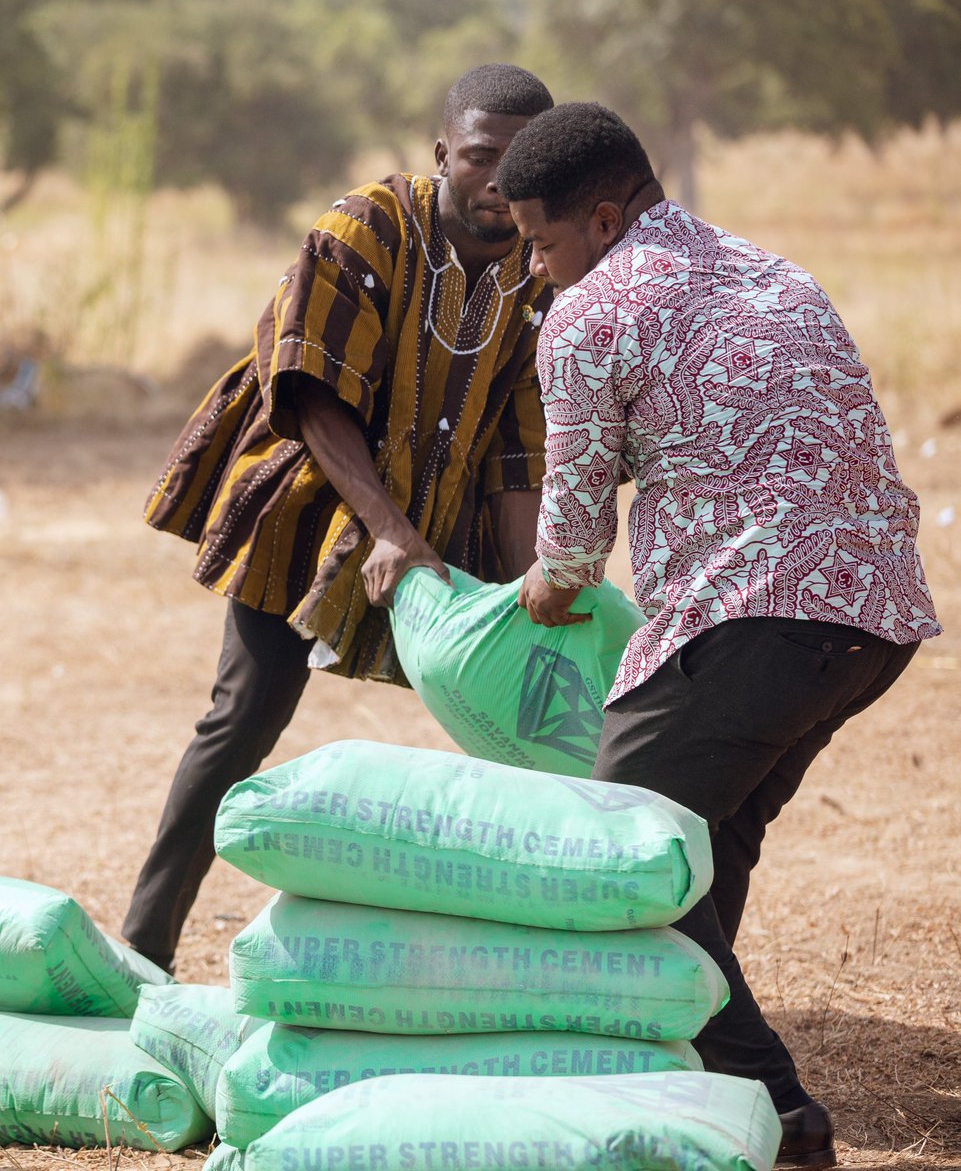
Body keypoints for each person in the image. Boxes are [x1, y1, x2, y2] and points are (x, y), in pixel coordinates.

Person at [497, 102, 940, 1168]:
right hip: (870, 620)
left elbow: (569, 538)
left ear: (601, 221)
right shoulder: (772, 271)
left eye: (542, 243)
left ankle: (779, 1116)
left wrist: (538, 597)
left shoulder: (593, 313)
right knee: (703, 850)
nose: (534, 268)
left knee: (624, 853)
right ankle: (690, 1081)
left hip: (755, 617)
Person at [122, 64, 556, 976]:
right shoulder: (364, 228)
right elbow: (314, 399)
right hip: (315, 507)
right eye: (481, 158)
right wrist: (389, 529)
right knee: (243, 717)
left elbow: (521, 444)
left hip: (442, 513)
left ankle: (537, 962)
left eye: (522, 165)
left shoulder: (538, 268)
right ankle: (144, 951)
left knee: (517, 726)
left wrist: (523, 595)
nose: (500, 181)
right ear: (443, 153)